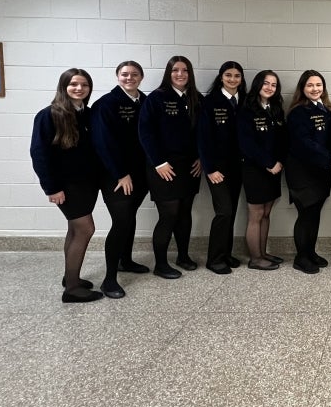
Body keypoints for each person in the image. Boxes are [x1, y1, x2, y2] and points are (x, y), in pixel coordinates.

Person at [30, 68, 102, 303]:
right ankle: (72, 289)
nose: (79, 89)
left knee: (74, 230)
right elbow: (39, 154)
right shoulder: (49, 114)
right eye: (73, 84)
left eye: (84, 85)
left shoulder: (88, 114)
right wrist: (51, 188)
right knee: (85, 229)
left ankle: (71, 276)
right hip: (67, 185)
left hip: (87, 183)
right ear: (64, 86)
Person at [138, 56, 202, 279]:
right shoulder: (156, 98)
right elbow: (145, 133)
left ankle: (183, 256)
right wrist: (159, 162)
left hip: (190, 168)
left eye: (185, 70)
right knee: (169, 214)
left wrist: (201, 158)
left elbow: (203, 133)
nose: (180, 74)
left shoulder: (196, 98)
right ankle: (161, 264)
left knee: (185, 212)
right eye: (175, 70)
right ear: (169, 73)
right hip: (163, 167)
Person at [91, 60, 150, 299]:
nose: (129, 78)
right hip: (115, 176)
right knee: (121, 221)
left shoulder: (145, 102)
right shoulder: (105, 104)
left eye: (134, 74)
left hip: (140, 174)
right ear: (117, 77)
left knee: (130, 217)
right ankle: (109, 279)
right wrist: (120, 174)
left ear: (141, 77)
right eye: (125, 74)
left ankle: (126, 260)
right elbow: (102, 143)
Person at [285, 70, 331, 274]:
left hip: (322, 172)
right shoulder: (298, 112)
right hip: (302, 172)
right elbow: (304, 143)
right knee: (305, 214)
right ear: (302, 88)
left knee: (315, 213)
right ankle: (301, 257)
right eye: (310, 85)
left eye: (318, 85)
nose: (315, 89)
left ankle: (310, 252)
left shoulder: (327, 110)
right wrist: (329, 157)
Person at [197, 61, 247, 275]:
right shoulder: (210, 102)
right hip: (217, 169)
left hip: (238, 167)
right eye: (228, 75)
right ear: (221, 77)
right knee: (223, 211)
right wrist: (210, 168)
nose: (233, 79)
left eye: (237, 75)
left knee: (232, 211)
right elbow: (203, 138)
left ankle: (226, 254)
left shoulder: (244, 101)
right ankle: (214, 259)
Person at [239, 70, 288, 271]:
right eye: (265, 83)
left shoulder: (276, 109)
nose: (269, 87)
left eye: (273, 85)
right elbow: (246, 143)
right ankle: (255, 258)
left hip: (275, 170)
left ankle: (263, 252)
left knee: (267, 212)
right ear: (258, 84)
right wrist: (268, 163)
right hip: (255, 169)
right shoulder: (246, 110)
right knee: (256, 214)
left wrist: (280, 162)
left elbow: (284, 139)